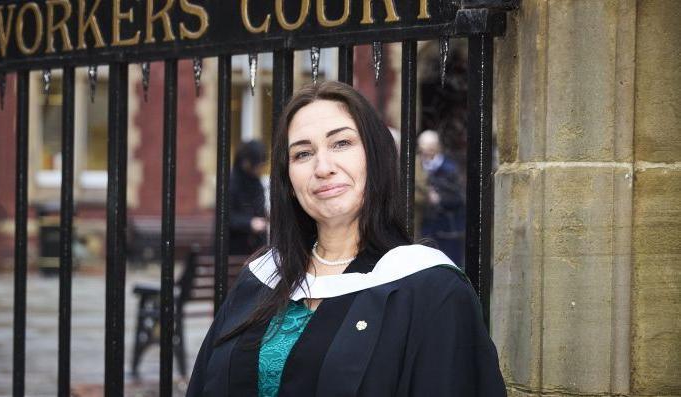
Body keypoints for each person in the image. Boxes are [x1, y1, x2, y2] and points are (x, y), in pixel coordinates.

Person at [187, 82, 505, 396]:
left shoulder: (431, 290)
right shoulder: (262, 276)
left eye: (341, 143)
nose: (322, 167)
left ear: (376, 156)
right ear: (288, 177)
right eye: (302, 153)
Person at [417, 129, 466, 267]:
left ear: (437, 147)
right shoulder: (417, 167)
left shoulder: (450, 168)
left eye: (430, 148)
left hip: (447, 230)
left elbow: (459, 197)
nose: (426, 152)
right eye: (423, 148)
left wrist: (439, 199)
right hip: (425, 227)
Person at [228, 140, 268, 255]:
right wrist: (250, 223)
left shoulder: (256, 182)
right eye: (258, 165)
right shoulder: (232, 182)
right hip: (233, 247)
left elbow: (260, 210)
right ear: (247, 162)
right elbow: (227, 217)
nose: (260, 170)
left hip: (254, 247)